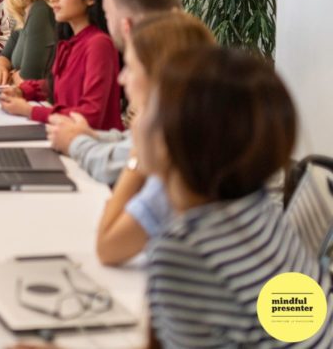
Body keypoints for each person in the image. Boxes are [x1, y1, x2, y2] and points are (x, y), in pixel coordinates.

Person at [137, 47, 333, 348]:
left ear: (168, 138)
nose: (135, 117)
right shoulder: (258, 211)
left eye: (147, 106)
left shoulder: (184, 251)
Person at [93, 13, 215, 266]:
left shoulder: (178, 171)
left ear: (158, 76)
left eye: (129, 67)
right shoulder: (208, 142)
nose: (121, 78)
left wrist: (137, 158)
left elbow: (107, 247)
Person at [46, 0, 182, 185]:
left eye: (107, 13)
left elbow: (134, 159)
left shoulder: (167, 79)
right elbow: (132, 142)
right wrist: (92, 137)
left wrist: (75, 142)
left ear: (126, 25)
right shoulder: (176, 60)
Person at [0, 0, 123, 130]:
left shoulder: (99, 44)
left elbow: (90, 116)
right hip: (67, 138)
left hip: (91, 145)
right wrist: (24, 91)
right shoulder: (69, 41)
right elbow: (57, 84)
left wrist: (29, 110)